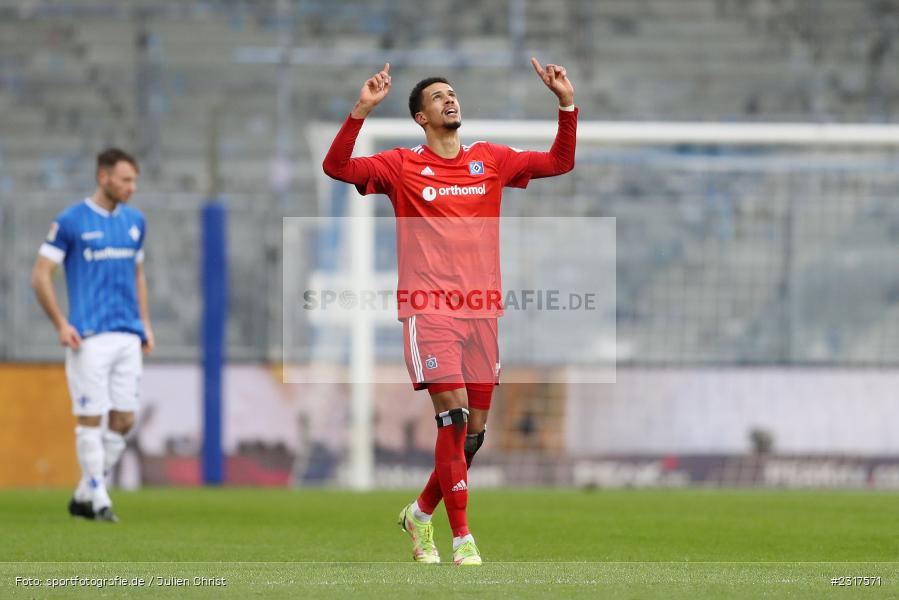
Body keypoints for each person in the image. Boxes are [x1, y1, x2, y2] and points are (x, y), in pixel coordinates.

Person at [323, 58, 577, 565]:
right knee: (454, 417)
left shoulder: (490, 159)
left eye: (453, 93)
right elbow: (338, 167)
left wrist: (566, 103)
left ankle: (419, 512)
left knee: (473, 436)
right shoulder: (400, 165)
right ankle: (461, 538)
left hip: (482, 311)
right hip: (429, 308)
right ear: (421, 117)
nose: (450, 99)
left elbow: (559, 162)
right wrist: (361, 110)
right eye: (438, 96)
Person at [31, 148, 154, 523]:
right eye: (126, 180)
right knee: (90, 418)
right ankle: (100, 501)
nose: (132, 187)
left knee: (125, 420)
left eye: (134, 180)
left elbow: (138, 275)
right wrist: (61, 323)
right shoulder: (71, 221)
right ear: (104, 177)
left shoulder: (135, 222)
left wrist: (145, 324)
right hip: (89, 337)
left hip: (127, 334)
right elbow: (40, 275)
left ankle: (84, 493)